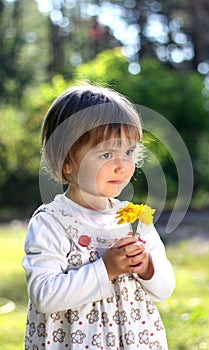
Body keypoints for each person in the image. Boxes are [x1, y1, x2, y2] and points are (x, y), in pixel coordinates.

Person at [22, 84, 175, 349]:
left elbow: (164, 289)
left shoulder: (133, 220)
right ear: (66, 163)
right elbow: (43, 295)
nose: (122, 165)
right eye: (106, 154)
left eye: (128, 152)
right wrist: (106, 268)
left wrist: (147, 266)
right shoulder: (52, 222)